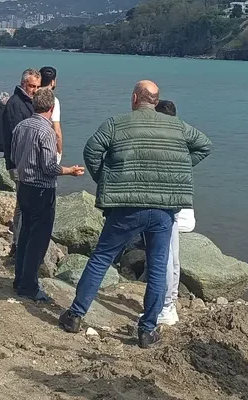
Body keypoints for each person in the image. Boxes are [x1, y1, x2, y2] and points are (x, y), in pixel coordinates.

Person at [59, 80, 212, 348]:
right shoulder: (177, 126)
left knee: (101, 258)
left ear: (133, 99)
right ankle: (147, 330)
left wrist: (105, 179)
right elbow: (204, 145)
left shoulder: (115, 124)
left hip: (126, 207)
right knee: (157, 267)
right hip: (163, 210)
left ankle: (75, 315)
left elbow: (92, 150)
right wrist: (176, 169)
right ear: (155, 101)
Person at [10, 87, 85, 299]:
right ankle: (29, 286)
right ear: (51, 109)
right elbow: (50, 167)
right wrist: (70, 171)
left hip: (24, 185)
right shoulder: (47, 132)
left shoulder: (21, 126)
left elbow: (14, 156)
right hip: (41, 189)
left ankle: (19, 280)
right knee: (38, 239)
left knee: (25, 234)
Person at [153, 99, 196, 327]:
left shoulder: (162, 137)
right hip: (182, 207)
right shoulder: (181, 136)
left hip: (169, 208)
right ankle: (169, 304)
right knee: (172, 256)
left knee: (166, 257)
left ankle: (167, 306)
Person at [4, 69, 41, 251]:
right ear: (23, 84)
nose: (35, 90)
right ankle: (19, 244)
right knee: (24, 205)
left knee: (22, 204)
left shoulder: (26, 102)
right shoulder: (15, 104)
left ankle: (18, 243)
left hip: (23, 162)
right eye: (32, 86)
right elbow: (17, 136)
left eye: (37, 87)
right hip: (19, 163)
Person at [41, 66, 63, 160]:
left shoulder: (30, 96)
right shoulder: (53, 100)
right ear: (53, 82)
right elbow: (57, 130)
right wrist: (59, 151)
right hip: (46, 144)